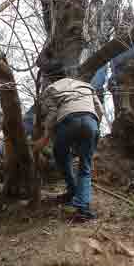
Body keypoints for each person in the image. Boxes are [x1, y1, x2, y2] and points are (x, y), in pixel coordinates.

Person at [33, 61, 104, 220]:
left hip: (68, 122)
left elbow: (51, 114)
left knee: (60, 154)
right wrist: (94, 128)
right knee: (85, 166)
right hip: (91, 122)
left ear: (49, 79)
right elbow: (100, 110)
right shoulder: (85, 86)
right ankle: (83, 208)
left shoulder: (51, 89)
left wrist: (45, 136)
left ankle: (72, 190)